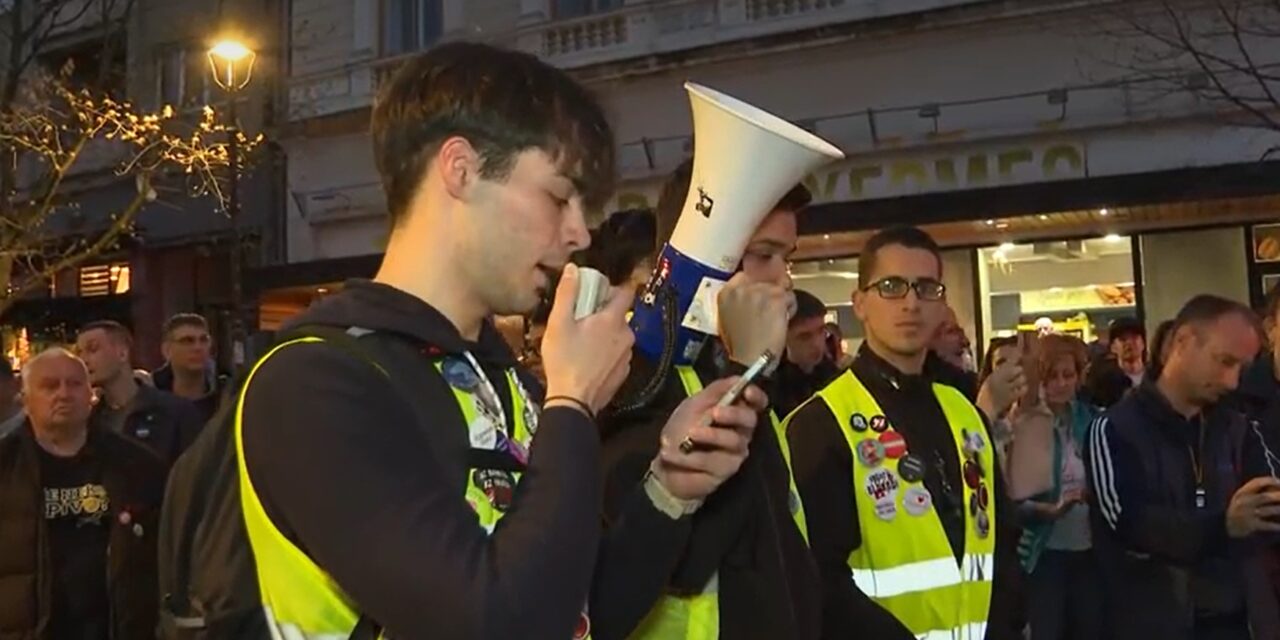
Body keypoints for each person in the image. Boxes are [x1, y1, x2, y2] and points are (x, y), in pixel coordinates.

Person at [234, 42, 762, 639]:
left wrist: (669, 491)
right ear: (460, 168)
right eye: (558, 196)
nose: (578, 232)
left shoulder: (499, 375)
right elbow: (500, 622)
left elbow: (579, 612)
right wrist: (573, 401)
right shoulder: (315, 381)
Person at [594, 157, 822, 639]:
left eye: (788, 257)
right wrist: (749, 371)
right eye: (763, 254)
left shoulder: (725, 368)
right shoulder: (634, 382)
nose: (783, 279)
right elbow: (687, 563)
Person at [784, 226, 1021, 639]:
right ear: (859, 303)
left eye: (926, 288)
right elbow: (819, 581)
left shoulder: (964, 410)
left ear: (943, 302)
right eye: (891, 286)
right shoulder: (819, 423)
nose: (911, 303)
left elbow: (1002, 546)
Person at [1088, 294, 1280, 640]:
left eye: (1242, 368)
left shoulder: (1238, 429)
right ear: (1182, 342)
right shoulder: (1114, 429)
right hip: (1150, 622)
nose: (1232, 380)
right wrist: (1223, 525)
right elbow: (1130, 523)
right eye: (1224, 361)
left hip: (1238, 620)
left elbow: (1268, 511)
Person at [0, 348, 166, 639]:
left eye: (75, 384)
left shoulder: (138, 465)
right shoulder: (5, 467)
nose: (64, 394)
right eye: (50, 386)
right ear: (25, 399)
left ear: (91, 395)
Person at [1016, 334, 1103, 640]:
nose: (1061, 383)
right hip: (1043, 552)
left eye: (1068, 375)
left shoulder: (1093, 421)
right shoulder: (1026, 423)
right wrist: (1049, 510)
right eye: (1051, 376)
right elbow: (1013, 501)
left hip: (1090, 549)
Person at [76, 320, 205, 465]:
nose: (83, 360)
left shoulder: (175, 411)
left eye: (92, 349)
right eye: (79, 352)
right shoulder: (90, 420)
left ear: (122, 353)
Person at [775, 289, 840, 416]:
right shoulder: (771, 391)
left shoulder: (836, 377)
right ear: (783, 337)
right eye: (804, 336)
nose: (817, 344)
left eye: (821, 331)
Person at [153, 313, 226, 423]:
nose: (198, 347)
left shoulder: (226, 397)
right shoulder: (151, 399)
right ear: (167, 350)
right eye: (187, 341)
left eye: (203, 340)